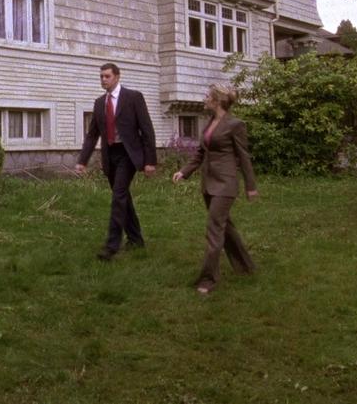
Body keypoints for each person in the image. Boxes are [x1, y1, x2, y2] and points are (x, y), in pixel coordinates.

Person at [172, 84, 258, 295]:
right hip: (208, 183)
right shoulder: (210, 123)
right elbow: (200, 153)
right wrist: (184, 171)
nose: (205, 99)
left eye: (208, 96)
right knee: (225, 226)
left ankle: (209, 278)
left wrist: (251, 186)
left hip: (225, 184)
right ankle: (246, 266)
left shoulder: (235, 124)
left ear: (217, 101)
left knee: (214, 229)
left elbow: (243, 156)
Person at [75, 63, 157, 261]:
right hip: (110, 155)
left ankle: (111, 246)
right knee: (123, 197)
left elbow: (147, 129)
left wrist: (150, 161)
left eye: (107, 76)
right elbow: (92, 134)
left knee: (118, 196)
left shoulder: (133, 97)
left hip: (128, 154)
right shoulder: (99, 103)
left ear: (117, 77)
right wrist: (82, 161)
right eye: (101, 76)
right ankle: (136, 239)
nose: (103, 80)